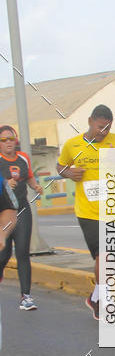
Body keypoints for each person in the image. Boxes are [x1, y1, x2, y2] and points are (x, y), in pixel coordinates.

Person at [57, 105, 115, 319]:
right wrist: (68, 173)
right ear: (90, 121)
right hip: (87, 211)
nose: (103, 132)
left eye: (107, 128)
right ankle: (104, 300)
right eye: (100, 127)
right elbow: (60, 166)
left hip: (112, 209)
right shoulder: (73, 145)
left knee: (109, 257)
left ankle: (95, 298)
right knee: (103, 254)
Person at [0, 126, 42, 309]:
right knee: (4, 253)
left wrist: (35, 186)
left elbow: (29, 176)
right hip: (3, 212)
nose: (8, 142)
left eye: (11, 139)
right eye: (3, 140)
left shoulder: (23, 157)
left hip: (22, 209)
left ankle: (26, 296)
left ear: (15, 140)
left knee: (23, 252)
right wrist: (4, 184)